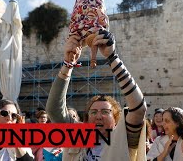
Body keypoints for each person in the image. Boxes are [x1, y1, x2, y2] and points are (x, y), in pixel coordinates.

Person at [46, 29, 147, 160]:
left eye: (105, 112)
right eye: (93, 112)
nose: (98, 116)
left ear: (116, 119)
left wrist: (112, 57)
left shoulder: (123, 138)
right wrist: (68, 64)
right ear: (86, 118)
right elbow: (53, 110)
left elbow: (139, 108)